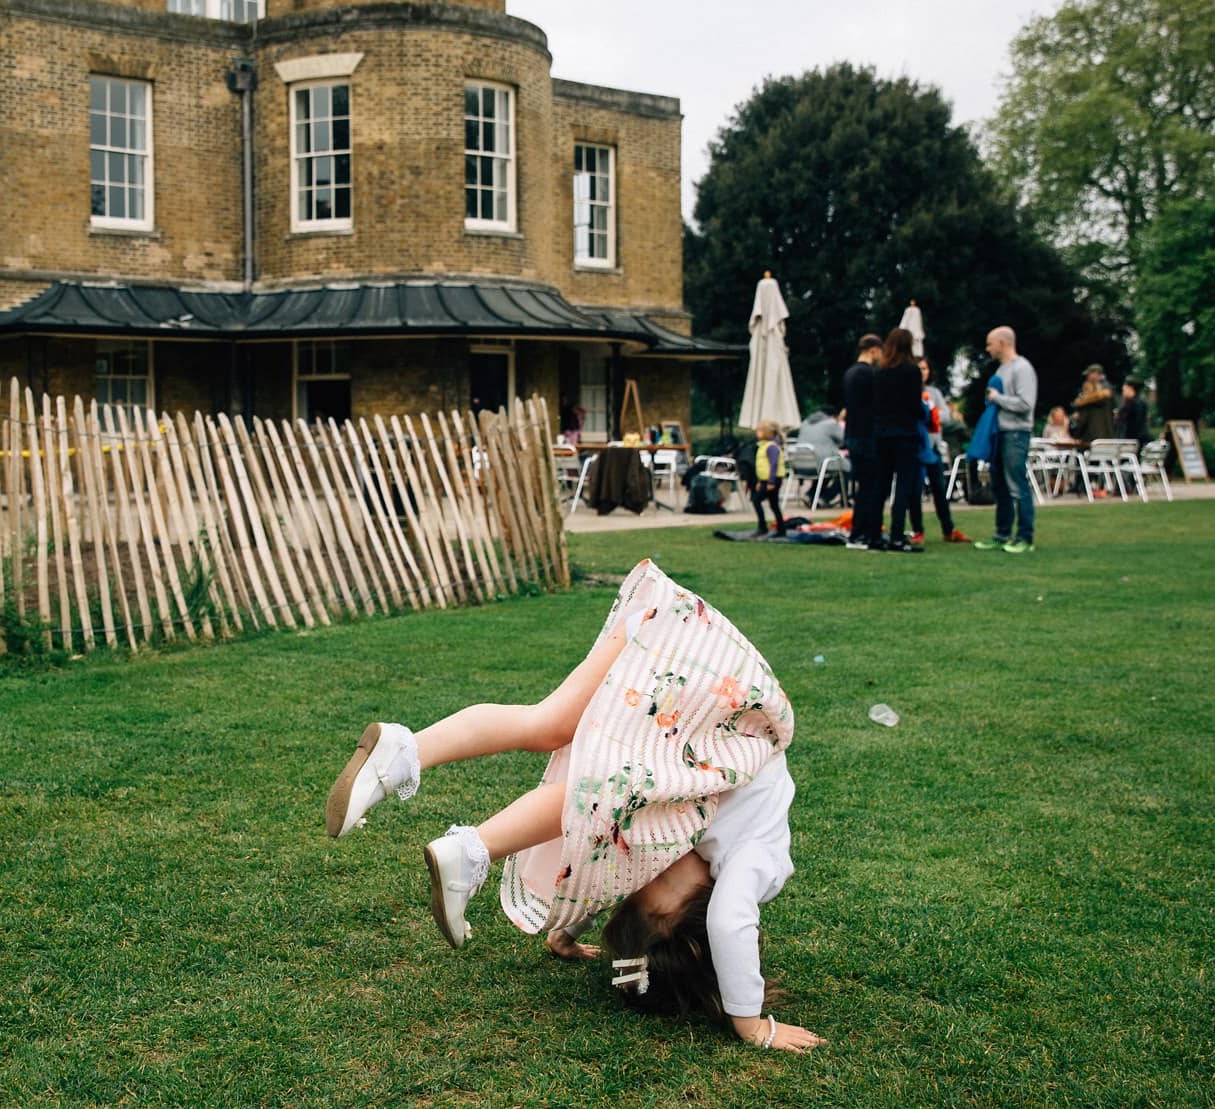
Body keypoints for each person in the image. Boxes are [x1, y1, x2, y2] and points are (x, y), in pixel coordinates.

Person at [324, 560, 821, 1054]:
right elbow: (729, 921)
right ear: (703, 901)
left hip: (668, 630)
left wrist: (565, 930)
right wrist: (750, 1022)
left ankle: (404, 753)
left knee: (546, 725)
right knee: (604, 802)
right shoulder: (757, 861)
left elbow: (616, 867)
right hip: (704, 675)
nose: (655, 868)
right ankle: (471, 851)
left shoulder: (687, 842)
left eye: (640, 887)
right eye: (665, 881)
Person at [975, 326, 1039, 554]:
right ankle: (1002, 534)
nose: (987, 348)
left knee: (1016, 484)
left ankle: (1025, 536)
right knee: (1000, 485)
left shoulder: (1022, 369)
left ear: (1002, 343)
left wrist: (997, 398)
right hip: (1000, 433)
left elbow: (1025, 404)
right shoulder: (1002, 370)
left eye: (990, 343)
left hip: (1016, 433)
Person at [872, 328, 926, 552]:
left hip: (883, 434)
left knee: (881, 485)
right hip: (905, 433)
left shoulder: (881, 372)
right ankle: (896, 534)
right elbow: (915, 405)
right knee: (903, 486)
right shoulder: (912, 372)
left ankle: (875, 533)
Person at [916, 356, 969, 543]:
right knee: (915, 489)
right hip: (916, 446)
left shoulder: (934, 392)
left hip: (934, 446)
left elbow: (945, 416)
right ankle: (917, 530)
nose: (922, 372)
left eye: (925, 368)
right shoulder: (908, 390)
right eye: (918, 368)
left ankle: (948, 529)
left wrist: (932, 412)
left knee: (939, 488)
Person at [842, 334, 884, 549]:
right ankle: (863, 531)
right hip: (867, 435)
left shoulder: (850, 372)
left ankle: (860, 530)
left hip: (853, 434)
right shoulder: (869, 374)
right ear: (874, 350)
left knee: (864, 486)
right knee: (871, 486)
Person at [747, 419, 788, 534]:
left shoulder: (771, 447)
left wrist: (771, 481)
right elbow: (762, 466)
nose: (757, 432)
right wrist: (760, 480)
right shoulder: (764, 446)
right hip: (766, 480)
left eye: (759, 430)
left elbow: (773, 464)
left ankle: (762, 527)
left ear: (767, 432)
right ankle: (781, 528)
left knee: (756, 500)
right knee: (773, 504)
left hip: (772, 480)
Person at [1069, 366, 1115, 448]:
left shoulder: (1102, 388)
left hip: (1091, 436)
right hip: (1105, 435)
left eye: (1089, 375)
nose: (1087, 378)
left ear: (1095, 374)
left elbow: (1103, 395)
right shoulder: (1106, 387)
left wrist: (1080, 401)